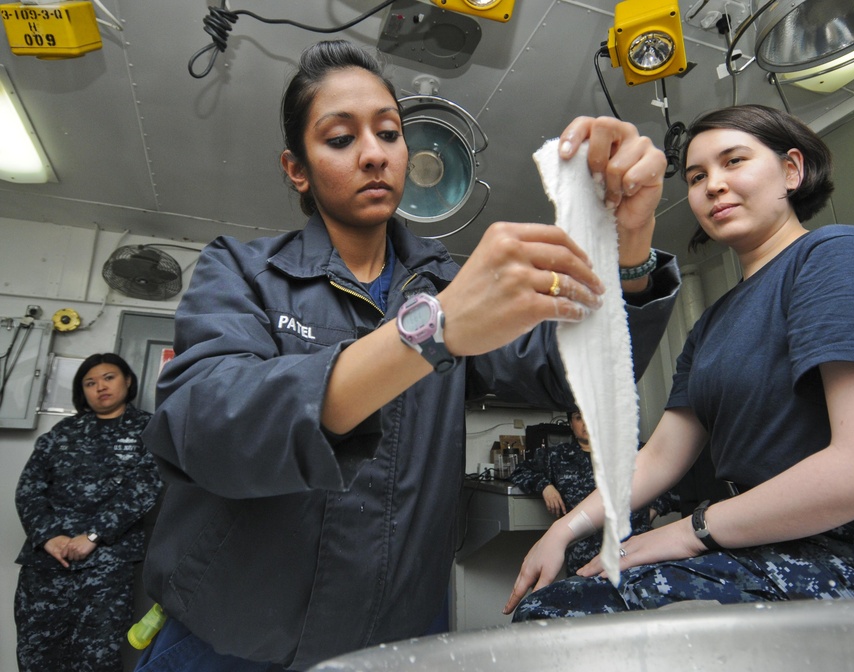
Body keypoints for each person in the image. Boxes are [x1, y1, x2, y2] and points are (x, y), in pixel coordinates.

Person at [135, 39, 681, 671]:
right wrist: (431, 331)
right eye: (340, 139)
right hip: (232, 635)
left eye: (390, 133)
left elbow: (568, 372)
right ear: (297, 168)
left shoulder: (447, 283)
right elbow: (206, 424)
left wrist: (631, 240)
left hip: (394, 633)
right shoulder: (244, 271)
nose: (374, 153)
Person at [504, 104, 854, 620]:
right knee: (552, 610)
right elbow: (659, 458)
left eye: (733, 161)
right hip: (768, 546)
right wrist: (564, 530)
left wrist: (689, 531)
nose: (713, 185)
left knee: (567, 618)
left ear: (791, 171)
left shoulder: (840, 256)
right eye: (697, 177)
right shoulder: (712, 324)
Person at [14, 353, 162, 672]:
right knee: (37, 651)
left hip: (107, 564)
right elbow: (30, 488)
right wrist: (48, 537)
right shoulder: (62, 432)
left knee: (97, 656)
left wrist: (93, 536)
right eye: (90, 383)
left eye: (108, 378)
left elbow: (143, 489)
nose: (100, 388)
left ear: (128, 381)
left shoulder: (148, 430)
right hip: (48, 562)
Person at [510, 410, 678, 575]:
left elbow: (673, 475)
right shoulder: (556, 456)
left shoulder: (632, 452)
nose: (586, 422)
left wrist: (652, 511)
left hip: (631, 551)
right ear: (570, 423)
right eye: (578, 417)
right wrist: (546, 487)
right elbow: (520, 471)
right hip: (583, 558)